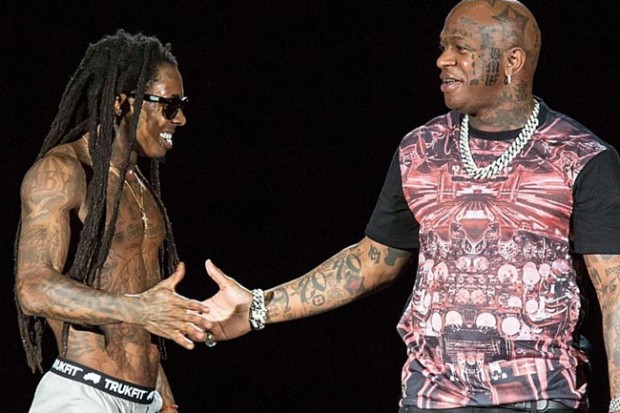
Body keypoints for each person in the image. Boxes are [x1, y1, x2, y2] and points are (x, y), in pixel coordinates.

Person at [199, 1, 620, 412]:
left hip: (538, 394)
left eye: (461, 48)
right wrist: (258, 307)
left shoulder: (580, 156)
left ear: (512, 61)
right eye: (443, 47)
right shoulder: (421, 149)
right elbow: (372, 262)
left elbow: (614, 292)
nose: (442, 60)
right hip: (430, 395)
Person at [14, 30, 211, 413]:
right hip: (83, 394)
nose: (181, 118)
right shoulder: (61, 172)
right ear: (123, 102)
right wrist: (140, 310)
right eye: (169, 106)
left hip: (144, 400)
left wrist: (165, 401)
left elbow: (143, 305)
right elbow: (33, 288)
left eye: (181, 105)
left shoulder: (138, 185)